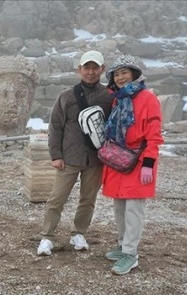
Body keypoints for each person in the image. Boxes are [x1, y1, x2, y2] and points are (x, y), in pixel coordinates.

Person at [37, 50, 113, 256]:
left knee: (88, 200)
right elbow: (55, 127)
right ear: (79, 69)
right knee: (56, 199)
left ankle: (79, 233)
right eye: (86, 67)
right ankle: (47, 236)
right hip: (68, 158)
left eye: (95, 68)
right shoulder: (66, 96)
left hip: (96, 159)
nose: (90, 72)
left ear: (102, 69)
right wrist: (56, 155)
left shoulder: (109, 97)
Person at [101, 55, 164, 275]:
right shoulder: (118, 98)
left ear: (134, 73)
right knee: (119, 208)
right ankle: (122, 245)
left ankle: (131, 254)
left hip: (138, 161)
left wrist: (148, 163)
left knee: (134, 210)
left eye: (124, 72)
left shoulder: (148, 98)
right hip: (118, 160)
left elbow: (154, 134)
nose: (120, 77)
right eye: (116, 74)